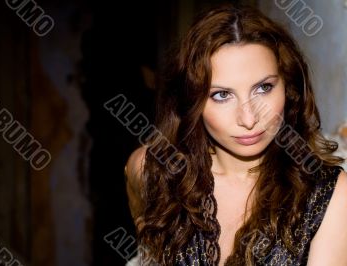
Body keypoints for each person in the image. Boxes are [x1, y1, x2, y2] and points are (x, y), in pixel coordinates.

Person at [124, 3, 347, 266]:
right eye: (221, 95)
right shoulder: (150, 170)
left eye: (264, 88)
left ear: (288, 87)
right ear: (191, 100)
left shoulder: (327, 192)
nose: (249, 118)